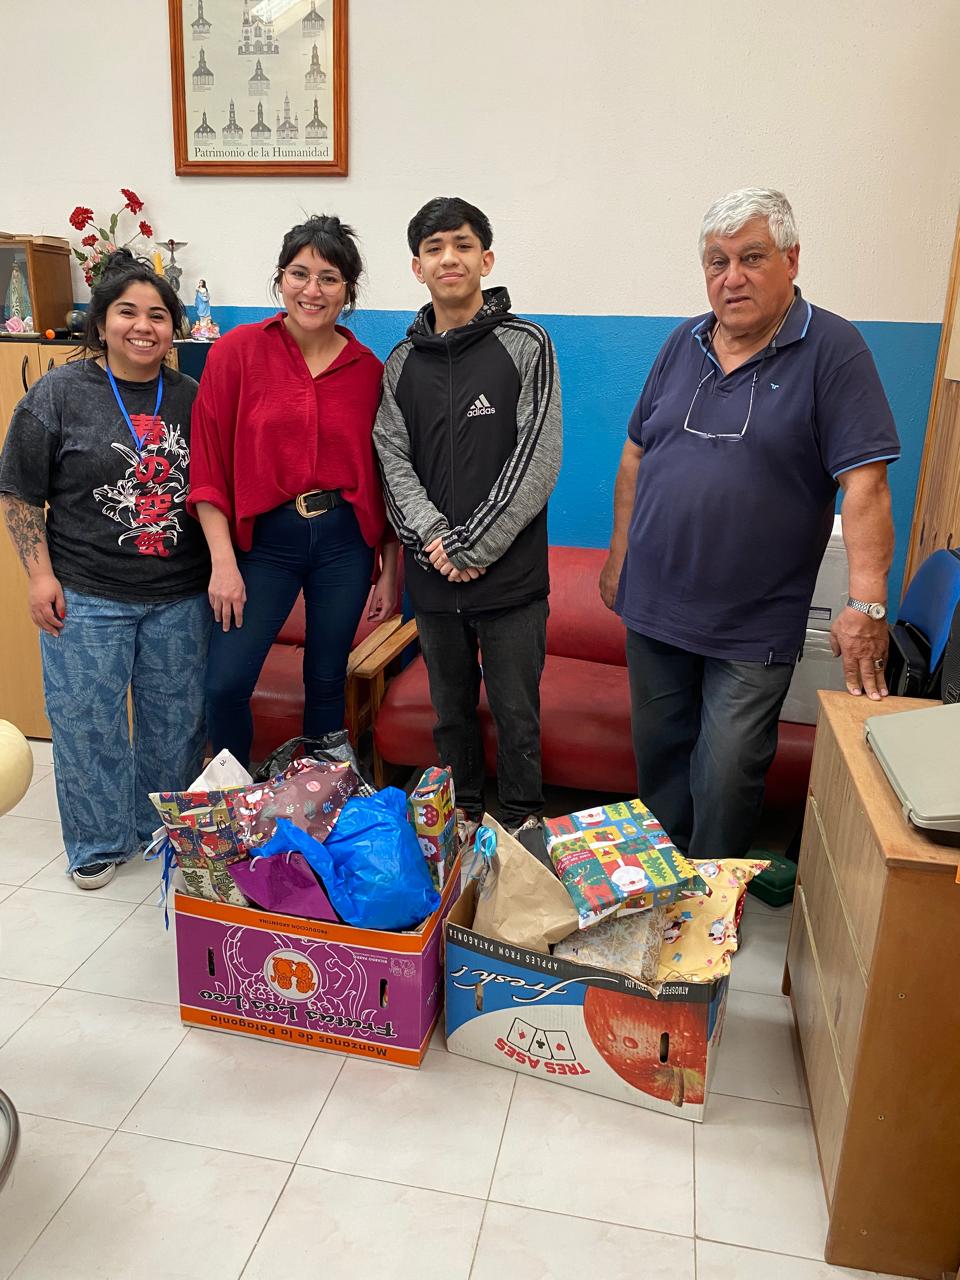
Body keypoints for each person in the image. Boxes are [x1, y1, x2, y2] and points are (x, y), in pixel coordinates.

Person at [600, 188, 899, 859]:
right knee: (660, 766)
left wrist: (867, 602)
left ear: (791, 260)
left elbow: (866, 484)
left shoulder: (834, 349)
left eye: (751, 257)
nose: (731, 277)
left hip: (753, 624)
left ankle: (712, 899)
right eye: (717, 262)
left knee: (728, 774)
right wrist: (619, 556)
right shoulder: (682, 342)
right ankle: (663, 889)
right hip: (655, 607)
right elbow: (636, 453)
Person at [0, 250, 211, 889]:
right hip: (87, 595)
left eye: (158, 315)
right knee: (87, 726)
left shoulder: (192, 397)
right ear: (101, 322)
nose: (143, 326)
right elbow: (19, 492)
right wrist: (40, 576)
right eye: (127, 312)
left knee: (175, 726)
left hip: (179, 594)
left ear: (173, 328)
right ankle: (97, 842)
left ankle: (160, 830)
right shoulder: (58, 394)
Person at [374, 196, 562, 840]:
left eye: (461, 245)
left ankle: (521, 828)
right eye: (434, 248)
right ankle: (459, 827)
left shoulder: (527, 344)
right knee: (450, 716)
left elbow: (538, 458)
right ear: (417, 267)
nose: (448, 258)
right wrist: (435, 539)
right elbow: (391, 459)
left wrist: (473, 546)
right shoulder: (401, 363)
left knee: (517, 716)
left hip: (510, 580)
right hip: (433, 578)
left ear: (486, 259)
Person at [189, 215, 398, 769]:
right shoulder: (236, 353)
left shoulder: (368, 371)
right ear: (281, 278)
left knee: (327, 680)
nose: (313, 290)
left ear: (348, 290)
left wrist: (390, 567)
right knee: (226, 683)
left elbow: (387, 475)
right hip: (265, 544)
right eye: (300, 274)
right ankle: (234, 794)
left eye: (329, 278)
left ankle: (319, 795)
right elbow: (208, 464)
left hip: (344, 543)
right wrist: (222, 563)